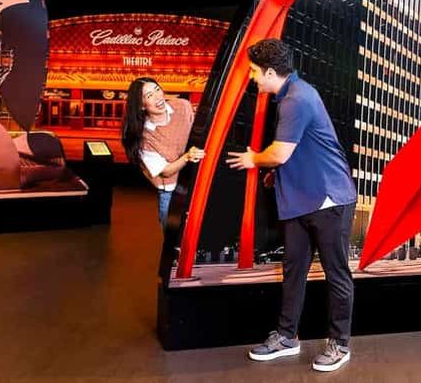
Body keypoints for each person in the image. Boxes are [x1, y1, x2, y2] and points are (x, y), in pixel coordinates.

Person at [226, 39, 356, 373]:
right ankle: (286, 337)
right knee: (293, 269)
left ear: (270, 72)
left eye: (254, 72)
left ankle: (340, 344)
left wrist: (255, 159)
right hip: (301, 199)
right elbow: (298, 149)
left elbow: (280, 153)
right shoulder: (290, 95)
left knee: (336, 273)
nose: (252, 78)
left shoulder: (297, 99)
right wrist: (279, 174)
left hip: (328, 198)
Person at [122, 77, 204, 228]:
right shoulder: (144, 137)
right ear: (141, 105)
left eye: (157, 89)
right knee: (174, 238)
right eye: (149, 95)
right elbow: (166, 172)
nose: (157, 96)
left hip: (198, 183)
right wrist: (187, 157)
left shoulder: (182, 106)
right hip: (172, 193)